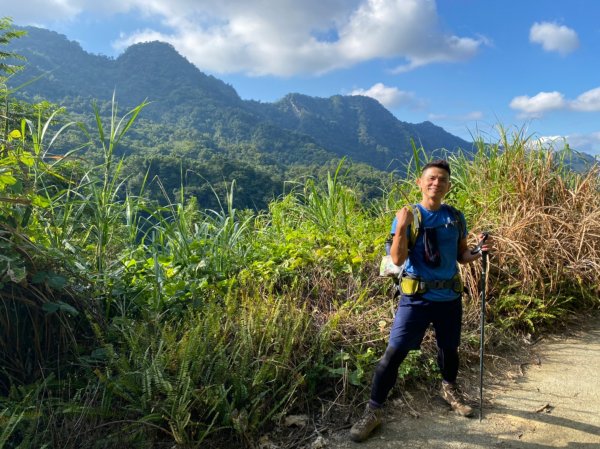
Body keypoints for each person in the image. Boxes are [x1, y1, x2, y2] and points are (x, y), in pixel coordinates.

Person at [350, 159, 495, 442]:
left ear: (448, 185)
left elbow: (460, 256)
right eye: (430, 178)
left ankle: (449, 389)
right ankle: (373, 410)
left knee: (449, 349)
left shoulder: (455, 216)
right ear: (420, 182)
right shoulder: (408, 215)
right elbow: (397, 259)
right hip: (415, 298)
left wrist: (477, 253)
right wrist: (402, 227)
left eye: (441, 179)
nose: (436, 183)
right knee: (394, 354)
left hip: (449, 297)